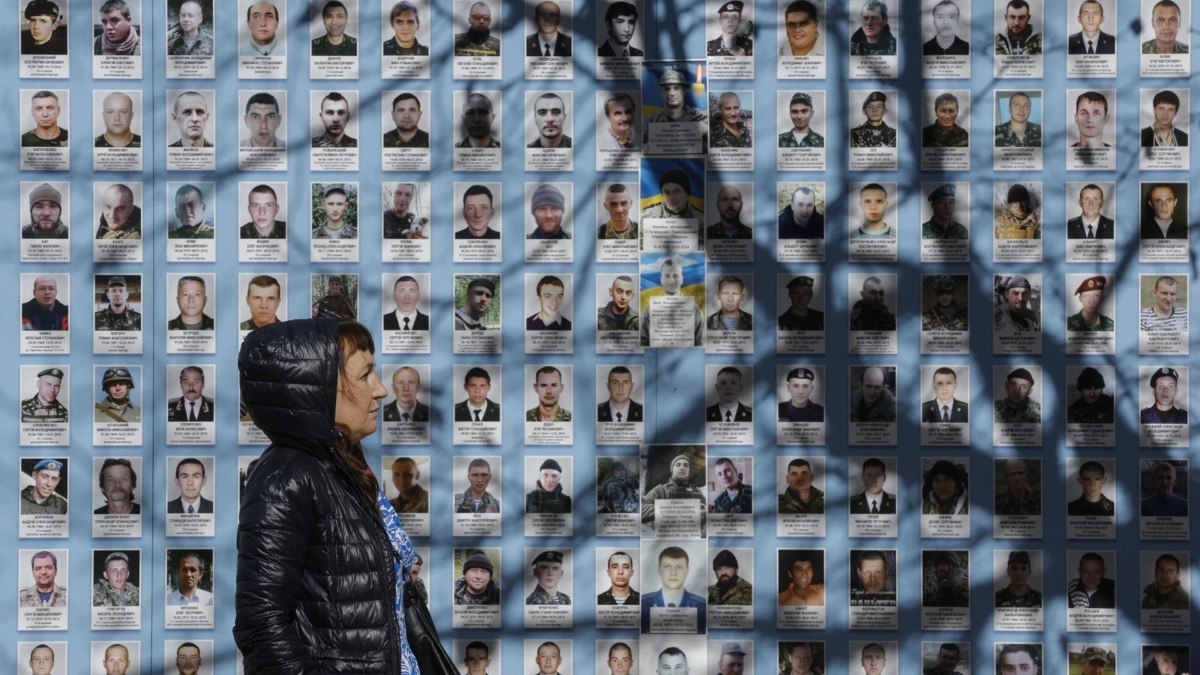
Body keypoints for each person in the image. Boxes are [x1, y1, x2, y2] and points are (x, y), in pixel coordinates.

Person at [235, 319, 420, 670]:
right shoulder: (285, 478)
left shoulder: (340, 464)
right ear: (318, 388)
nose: (381, 390)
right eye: (364, 375)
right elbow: (262, 628)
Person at [640, 255, 705, 347]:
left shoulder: (694, 309)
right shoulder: (649, 309)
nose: (671, 280)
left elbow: (700, 343)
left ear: (682, 279)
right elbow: (643, 342)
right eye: (667, 276)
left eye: (675, 276)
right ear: (661, 280)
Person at [641, 546, 707, 632]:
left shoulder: (702, 607)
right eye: (667, 566)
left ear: (687, 571)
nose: (673, 573)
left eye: (679, 567)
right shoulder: (642, 604)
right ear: (659, 569)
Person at [641, 453, 706, 523]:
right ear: (672, 469)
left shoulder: (697, 490)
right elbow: (641, 509)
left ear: (689, 471)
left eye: (686, 466)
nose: (682, 468)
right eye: (678, 465)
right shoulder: (661, 490)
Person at [643, 70, 708, 139]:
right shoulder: (650, 121)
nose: (672, 93)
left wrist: (706, 131)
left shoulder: (699, 117)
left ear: (684, 91)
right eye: (667, 89)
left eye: (676, 88)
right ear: (661, 92)